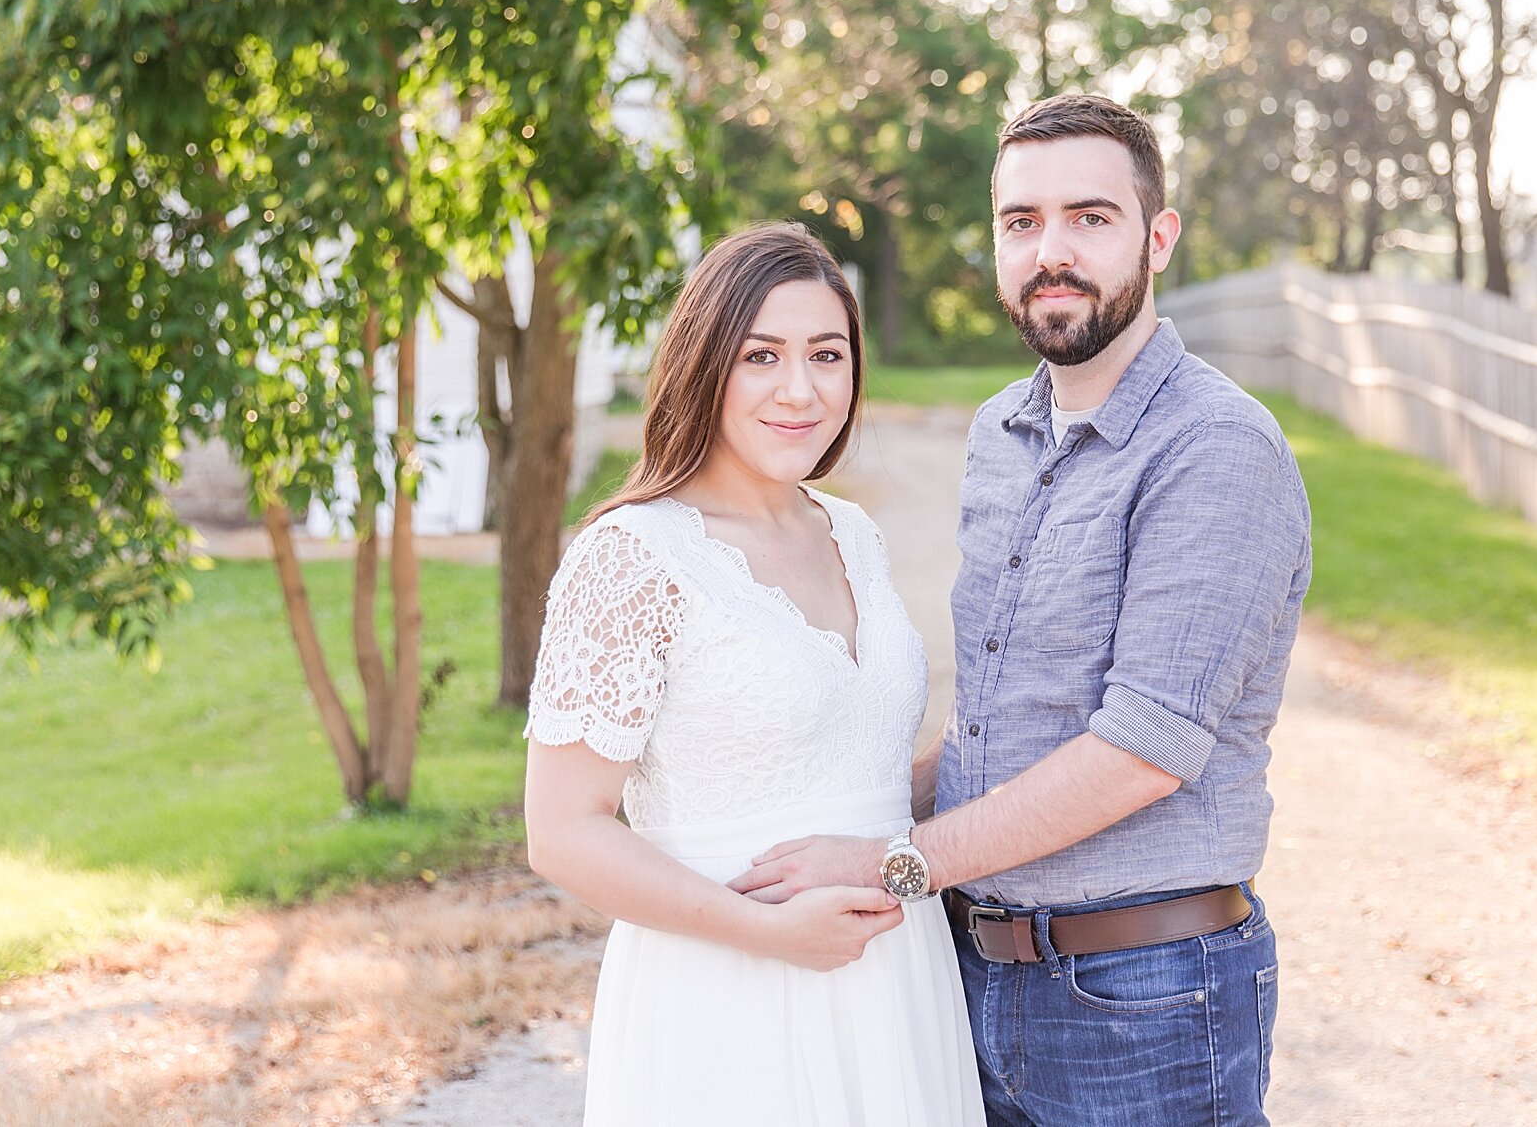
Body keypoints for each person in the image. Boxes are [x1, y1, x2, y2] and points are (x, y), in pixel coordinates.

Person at [731, 94, 1314, 1126]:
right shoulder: (1000, 430)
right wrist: (825, 813)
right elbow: (998, 726)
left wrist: (889, 862)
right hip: (974, 974)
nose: (1052, 251)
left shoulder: (1214, 448)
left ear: (1157, 236)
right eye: (1020, 222)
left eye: (1090, 218)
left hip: (1147, 999)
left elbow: (1141, 748)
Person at [523, 222, 986, 1126]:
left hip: (897, 983)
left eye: (827, 354)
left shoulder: (852, 532)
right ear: (705, 366)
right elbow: (563, 829)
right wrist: (767, 931)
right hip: (728, 993)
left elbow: (866, 764)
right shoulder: (633, 555)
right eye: (761, 356)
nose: (800, 390)